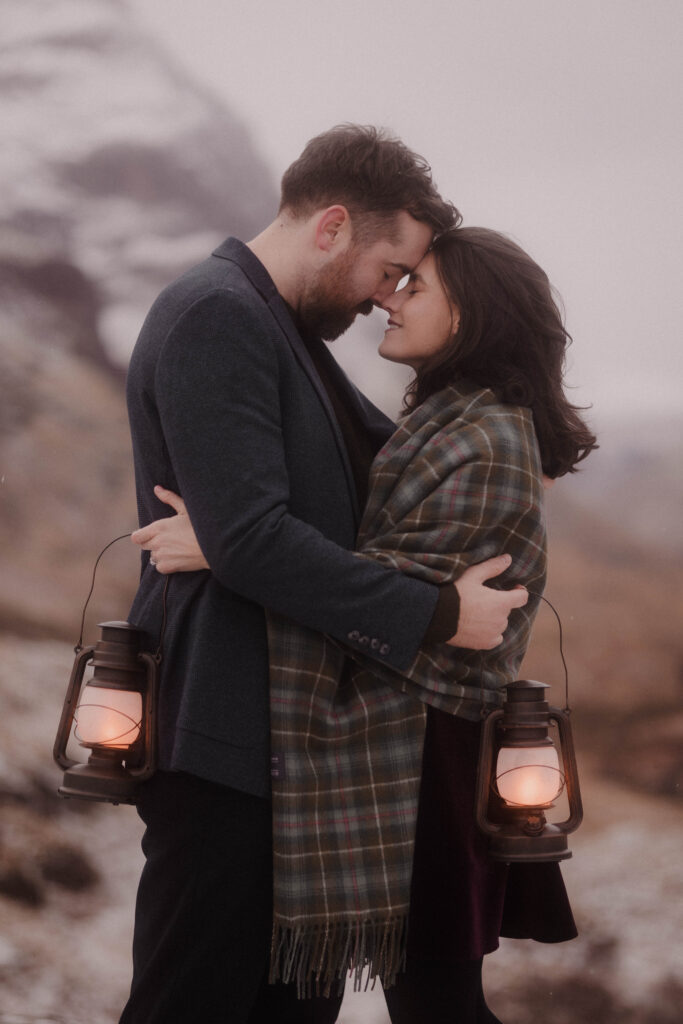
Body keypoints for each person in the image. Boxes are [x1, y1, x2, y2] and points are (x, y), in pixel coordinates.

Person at [119, 126, 528, 1024]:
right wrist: (431, 612)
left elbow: (370, 492)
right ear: (333, 226)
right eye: (391, 269)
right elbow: (260, 540)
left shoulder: (285, 327)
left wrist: (224, 536)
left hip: (287, 749)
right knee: (190, 1005)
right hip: (223, 731)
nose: (388, 297)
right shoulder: (217, 313)